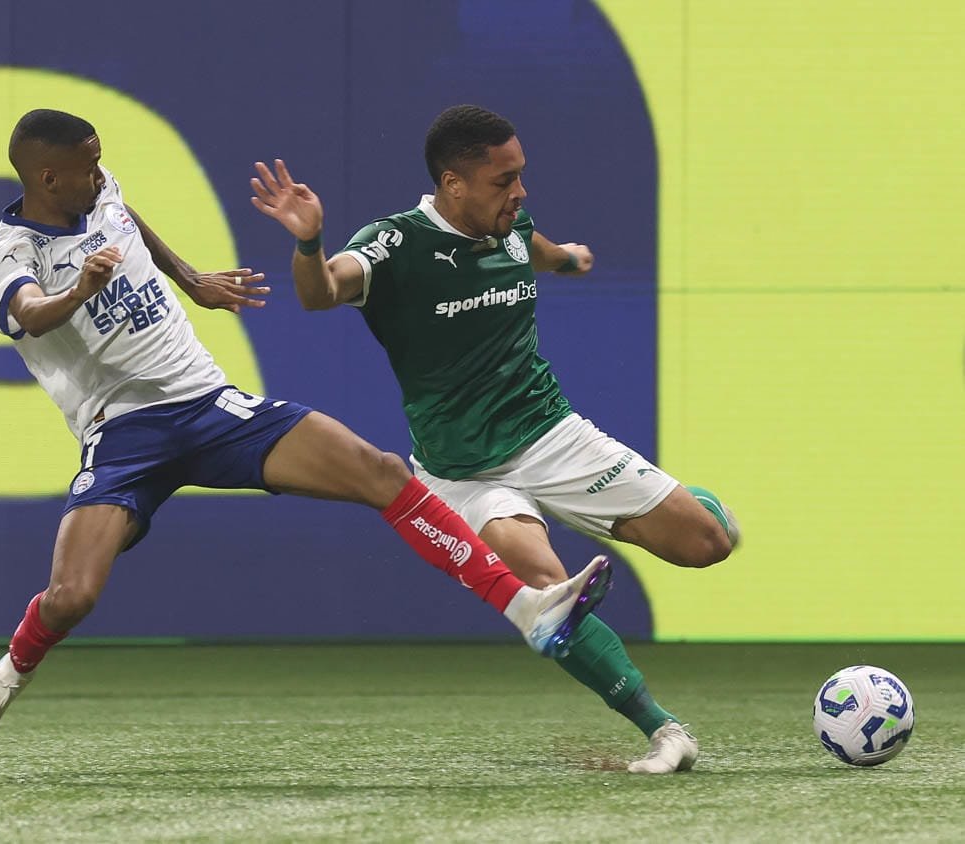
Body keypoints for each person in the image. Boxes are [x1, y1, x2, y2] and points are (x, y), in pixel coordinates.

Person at [0, 108, 615, 751]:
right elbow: (30, 315)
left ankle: (525, 608)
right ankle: (11, 669)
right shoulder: (15, 253)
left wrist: (192, 280)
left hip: (208, 405)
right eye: (88, 167)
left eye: (101, 163)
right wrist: (79, 293)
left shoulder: (100, 194)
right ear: (46, 179)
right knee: (72, 596)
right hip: (122, 434)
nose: (102, 175)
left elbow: (125, 218)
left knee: (380, 472)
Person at [248, 104, 742, 774]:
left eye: (521, 175)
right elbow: (320, 293)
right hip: (464, 475)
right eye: (503, 180)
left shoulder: (513, 226)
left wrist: (568, 259)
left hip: (551, 435)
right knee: (546, 594)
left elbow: (535, 249)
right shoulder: (396, 245)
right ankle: (664, 731)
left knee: (707, 545)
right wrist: (309, 243)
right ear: (453, 184)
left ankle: (696, 504)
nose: (520, 191)